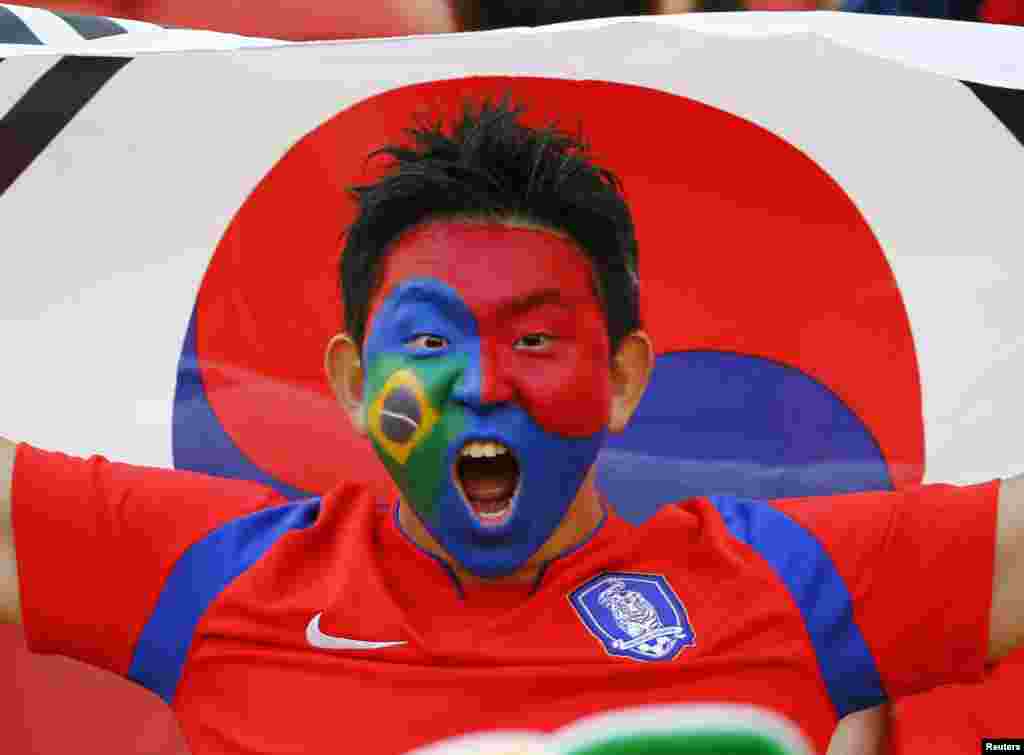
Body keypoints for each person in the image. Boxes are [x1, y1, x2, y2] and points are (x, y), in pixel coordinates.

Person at [0, 99, 1021, 755]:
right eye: (433, 343)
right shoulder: (223, 573)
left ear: (623, 379)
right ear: (354, 382)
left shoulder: (778, 583)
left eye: (536, 341)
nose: (485, 384)